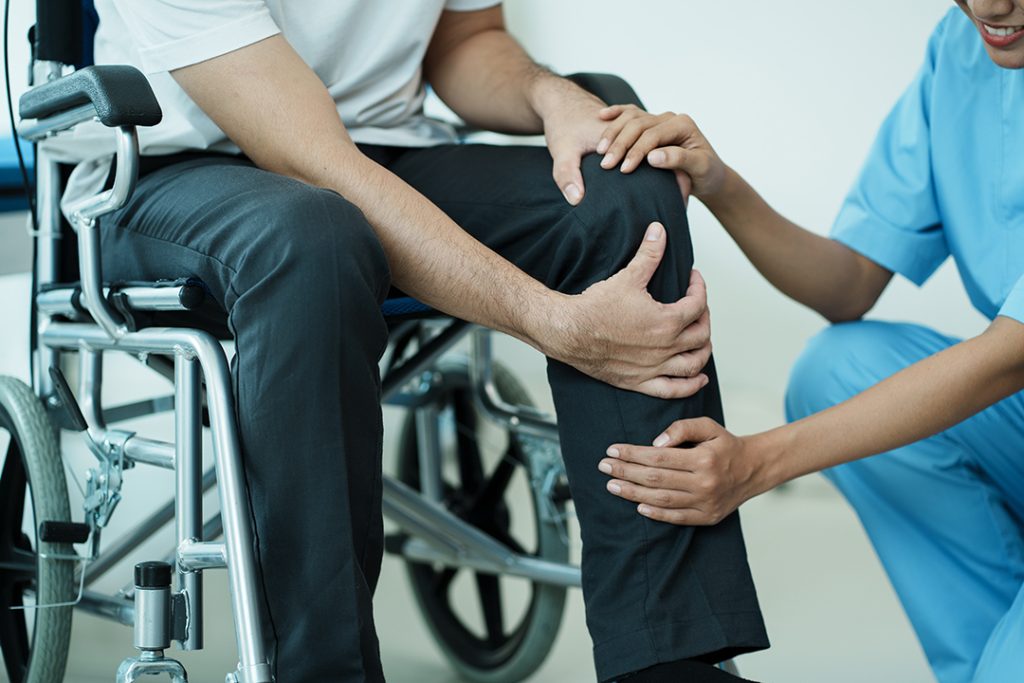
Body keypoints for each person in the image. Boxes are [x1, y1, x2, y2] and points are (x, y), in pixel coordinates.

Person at [64, 1, 771, 681]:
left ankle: (668, 652)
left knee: (625, 191)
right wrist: (549, 320)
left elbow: (463, 41)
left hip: (387, 153)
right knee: (312, 238)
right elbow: (308, 156)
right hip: (174, 173)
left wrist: (549, 95)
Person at [593, 1, 1024, 681]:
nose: (991, 6)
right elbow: (847, 284)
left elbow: (1011, 354)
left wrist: (756, 464)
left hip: (1013, 364)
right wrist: (719, 185)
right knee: (837, 368)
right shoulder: (960, 48)